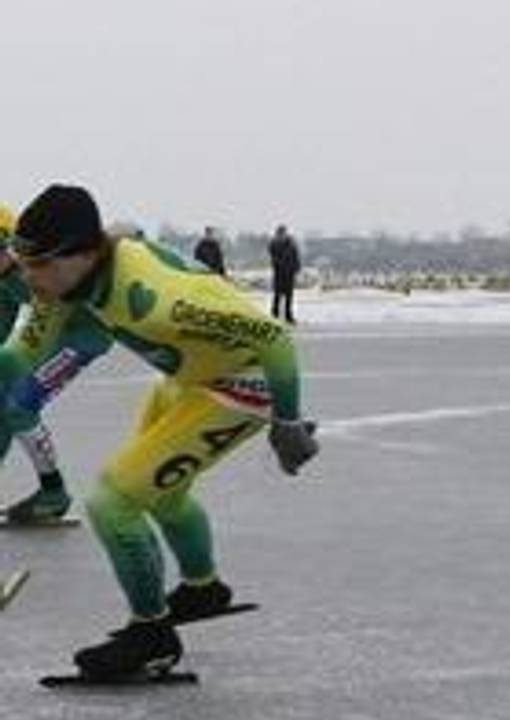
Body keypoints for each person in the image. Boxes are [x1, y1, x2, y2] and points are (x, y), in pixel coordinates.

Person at [0, 184, 318, 678]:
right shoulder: (63, 281)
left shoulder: (157, 300)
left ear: (81, 255)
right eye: (20, 261)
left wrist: (289, 421)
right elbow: (21, 358)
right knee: (164, 494)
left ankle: (151, 635)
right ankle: (202, 587)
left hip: (243, 386)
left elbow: (274, 336)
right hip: (191, 376)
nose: (27, 277)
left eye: (35, 264)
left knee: (114, 500)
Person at [0, 203, 111, 524]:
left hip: (84, 336)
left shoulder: (34, 265)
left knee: (19, 407)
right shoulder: (8, 276)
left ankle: (53, 492)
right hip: (52, 335)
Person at [268, 224, 300, 323]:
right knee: (277, 295)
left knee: (289, 297)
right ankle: (275, 314)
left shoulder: (291, 244)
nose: (282, 235)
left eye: (283, 233)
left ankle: (288, 316)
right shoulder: (274, 245)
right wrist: (278, 264)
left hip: (289, 274)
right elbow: (273, 259)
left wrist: (296, 268)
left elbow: (295, 257)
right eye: (280, 233)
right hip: (279, 274)